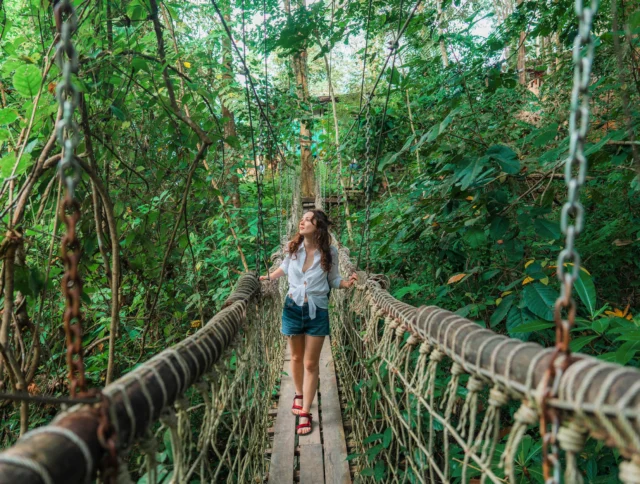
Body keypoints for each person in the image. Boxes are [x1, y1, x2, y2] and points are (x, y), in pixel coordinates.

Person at [260, 210, 357, 435]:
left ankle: (305, 411)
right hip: (292, 308)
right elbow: (284, 268)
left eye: (308, 219)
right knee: (295, 357)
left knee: (311, 364)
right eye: (301, 218)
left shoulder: (330, 252)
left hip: (317, 311)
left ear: (319, 225)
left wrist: (347, 284)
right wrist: (268, 277)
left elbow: (333, 280)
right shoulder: (292, 248)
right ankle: (299, 393)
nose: (302, 222)